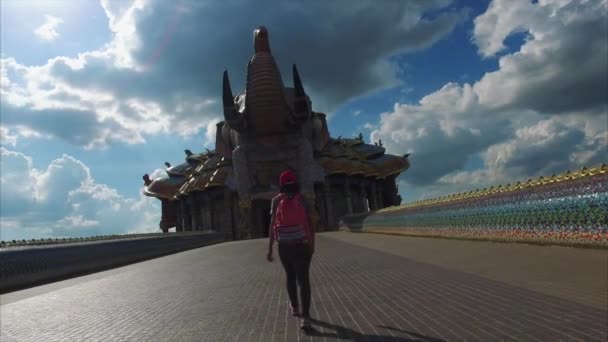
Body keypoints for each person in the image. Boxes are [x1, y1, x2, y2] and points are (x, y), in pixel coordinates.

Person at [267, 169, 316, 331]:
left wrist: (270, 248)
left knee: (290, 276)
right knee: (303, 280)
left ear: (281, 184)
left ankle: (294, 306)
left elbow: (273, 223)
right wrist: (312, 244)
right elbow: (311, 222)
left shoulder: (275, 200)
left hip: (284, 245)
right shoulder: (303, 199)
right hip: (302, 243)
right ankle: (306, 318)